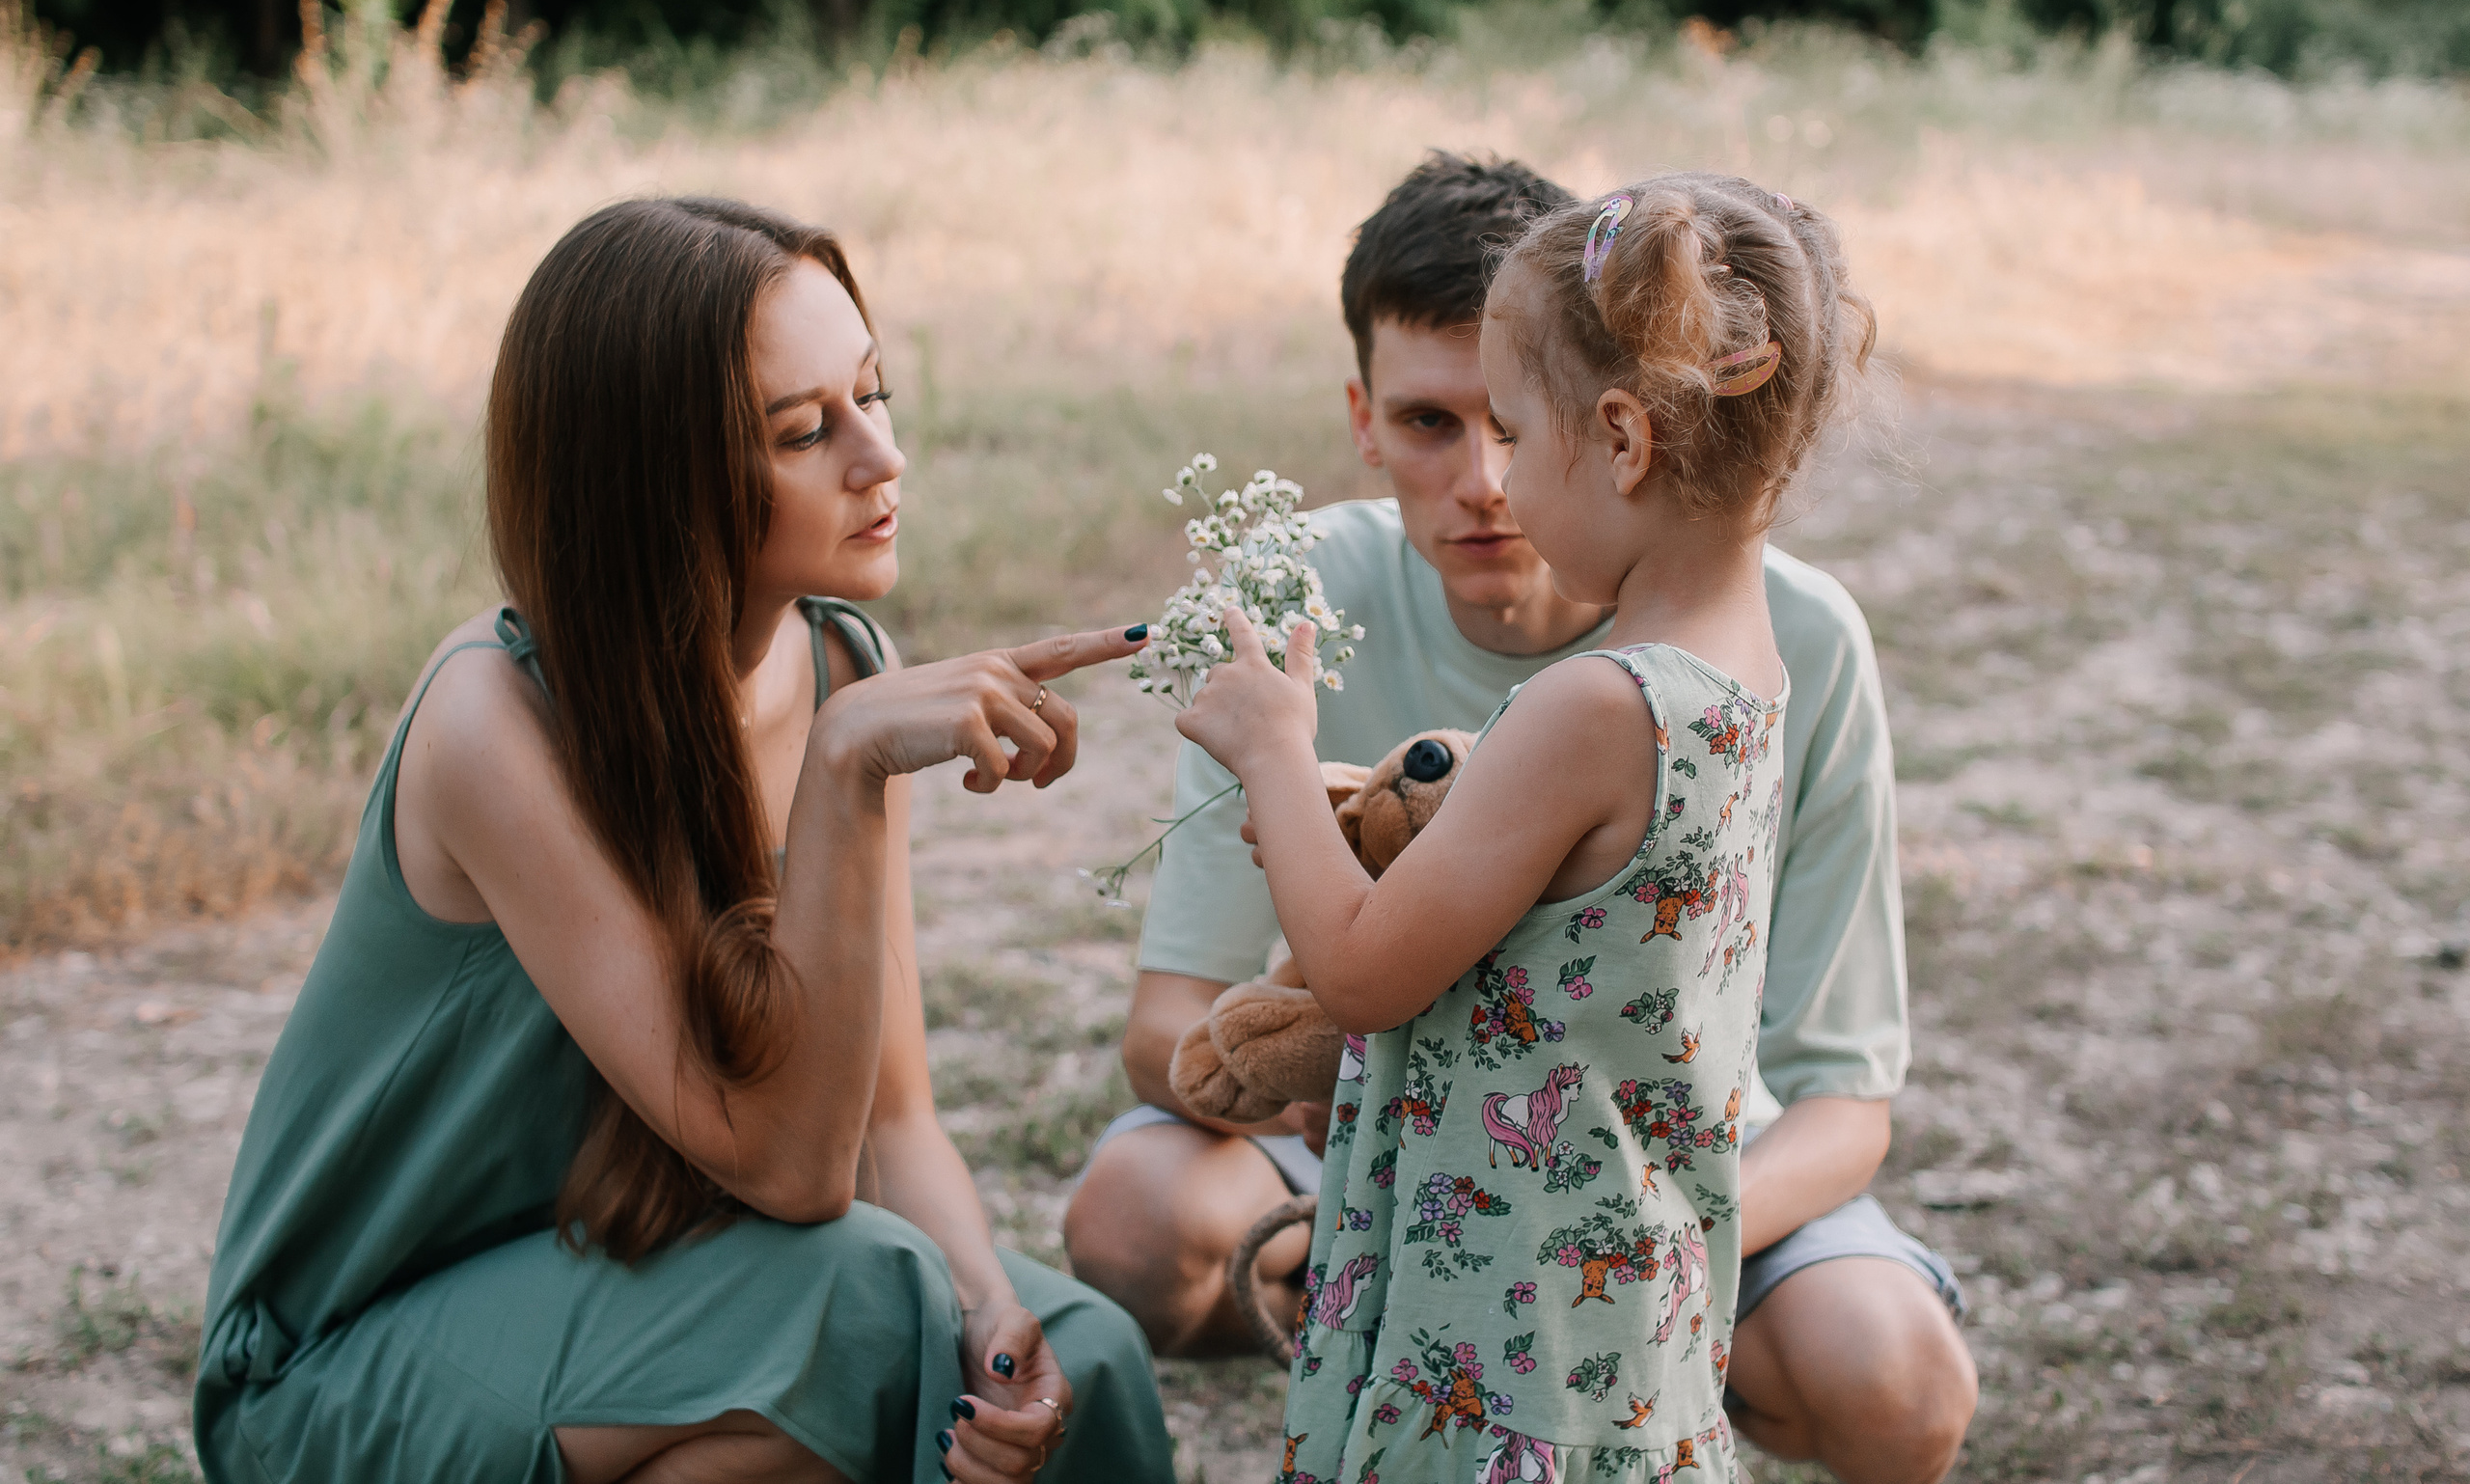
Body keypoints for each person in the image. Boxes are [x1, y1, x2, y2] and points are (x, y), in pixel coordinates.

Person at [193, 197, 1175, 1484]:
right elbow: (793, 1170)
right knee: (860, 1301)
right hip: (349, 1362)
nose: (880, 459)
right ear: (660, 474)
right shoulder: (494, 721)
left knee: (1076, 1353)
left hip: (636, 1283)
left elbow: (888, 1117)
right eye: (804, 431)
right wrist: (841, 767)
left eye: (875, 396)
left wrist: (993, 1313)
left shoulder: (836, 659)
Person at [1063, 156, 1975, 1482]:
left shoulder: (1585, 709)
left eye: (1514, 425)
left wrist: (1276, 756)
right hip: (1628, 1282)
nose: (1493, 481)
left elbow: (1369, 974)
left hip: (1511, 1284)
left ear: (1617, 438)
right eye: (1445, 425)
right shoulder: (1749, 681)